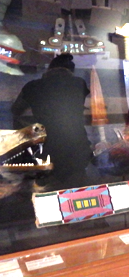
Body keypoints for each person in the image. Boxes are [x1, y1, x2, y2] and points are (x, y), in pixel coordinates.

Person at [11, 53, 93, 191]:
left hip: (48, 148)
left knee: (49, 191)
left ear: (49, 69)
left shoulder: (33, 86)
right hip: (77, 147)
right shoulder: (79, 83)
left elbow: (16, 110)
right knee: (79, 190)